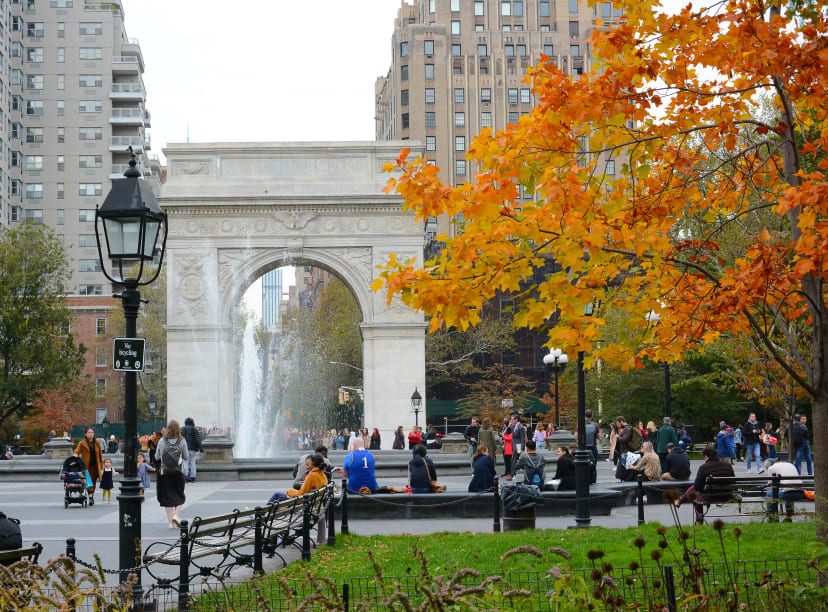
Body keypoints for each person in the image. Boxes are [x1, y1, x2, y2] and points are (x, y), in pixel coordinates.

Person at [678, 445, 735, 525]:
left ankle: (699, 519)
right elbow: (733, 481)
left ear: (706, 456)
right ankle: (682, 498)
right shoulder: (728, 465)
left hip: (710, 496)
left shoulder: (704, 467)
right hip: (727, 495)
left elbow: (697, 486)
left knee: (696, 494)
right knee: (696, 488)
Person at [155, 420, 189, 529]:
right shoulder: (182, 441)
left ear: (167, 428)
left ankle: (170, 523)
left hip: (164, 473)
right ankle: (176, 515)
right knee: (179, 494)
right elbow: (186, 457)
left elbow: (156, 457)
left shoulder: (162, 441)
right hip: (178, 472)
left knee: (167, 497)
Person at [74, 427, 103, 506]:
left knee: (93, 481)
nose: (91, 434)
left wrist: (101, 466)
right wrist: (75, 456)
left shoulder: (97, 442)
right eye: (89, 432)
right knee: (89, 481)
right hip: (86, 466)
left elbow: (100, 455)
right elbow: (77, 451)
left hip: (95, 465)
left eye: (92, 432)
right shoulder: (82, 443)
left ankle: (91, 496)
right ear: (86, 434)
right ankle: (90, 497)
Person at [181, 417, 203, 484]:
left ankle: (186, 477)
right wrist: (201, 448)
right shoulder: (195, 429)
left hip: (184, 448)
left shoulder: (182, 429)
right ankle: (193, 477)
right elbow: (198, 440)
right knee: (193, 463)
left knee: (185, 463)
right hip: (193, 449)